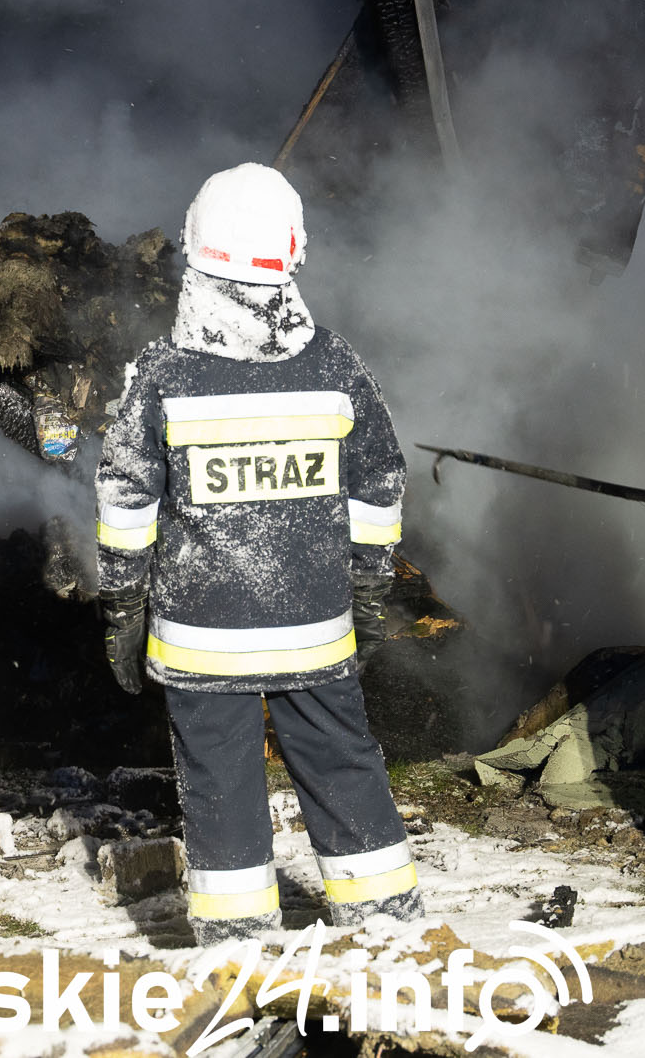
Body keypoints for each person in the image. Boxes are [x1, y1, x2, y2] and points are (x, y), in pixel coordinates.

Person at [94, 162, 424, 944]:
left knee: (220, 785)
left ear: (193, 255)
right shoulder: (338, 367)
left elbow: (125, 504)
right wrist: (370, 591)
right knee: (343, 765)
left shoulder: (162, 377)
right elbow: (380, 487)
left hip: (202, 638)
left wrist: (121, 607)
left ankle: (240, 947)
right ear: (294, 256)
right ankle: (385, 924)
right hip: (314, 627)